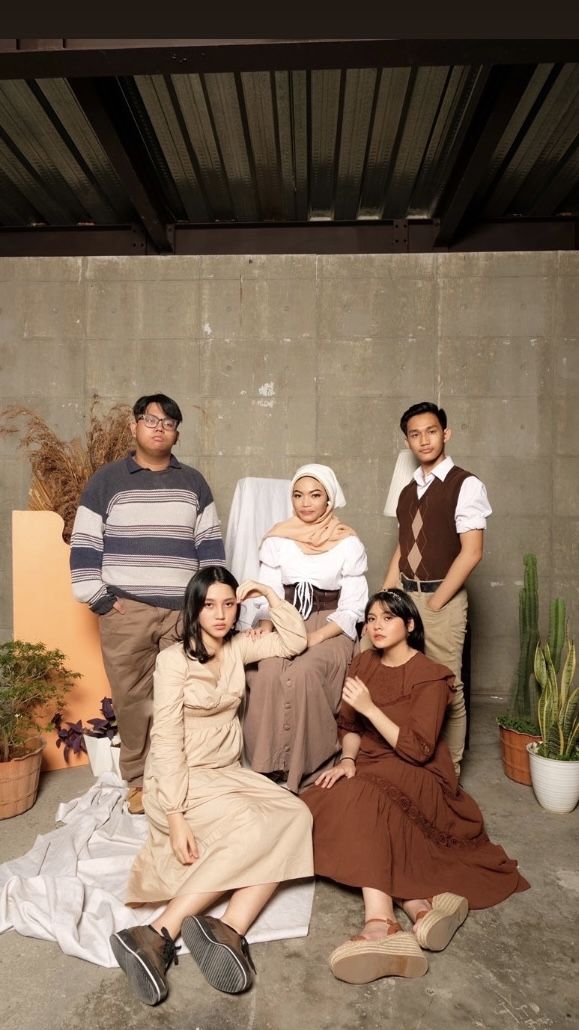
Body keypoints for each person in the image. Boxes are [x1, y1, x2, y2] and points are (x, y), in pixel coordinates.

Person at [302, 589, 529, 985]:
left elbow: (418, 749)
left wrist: (372, 707)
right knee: (318, 800)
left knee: (364, 799)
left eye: (387, 618)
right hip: (371, 762)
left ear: (409, 625)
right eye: (371, 618)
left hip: (420, 771)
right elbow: (350, 728)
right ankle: (420, 907)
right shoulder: (362, 663)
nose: (376, 626)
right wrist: (349, 761)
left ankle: (381, 924)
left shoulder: (431, 675)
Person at [109, 566, 313, 1006]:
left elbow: (296, 639)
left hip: (226, 772)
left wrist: (270, 595)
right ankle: (159, 931)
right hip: (179, 779)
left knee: (296, 815)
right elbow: (164, 739)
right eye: (209, 605)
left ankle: (226, 929)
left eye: (229, 603)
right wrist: (176, 815)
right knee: (254, 830)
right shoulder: (173, 661)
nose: (220, 614)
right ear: (194, 607)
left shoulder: (238, 648)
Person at [70, 393, 226, 814]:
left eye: (169, 423)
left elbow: (209, 546)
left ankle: (186, 775)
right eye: (151, 420)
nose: (160, 428)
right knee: (133, 701)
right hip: (127, 610)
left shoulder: (193, 482)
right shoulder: (107, 480)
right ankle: (138, 781)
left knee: (187, 696)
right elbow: (85, 543)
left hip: (182, 611)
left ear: (177, 433)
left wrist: (208, 604)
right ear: (135, 426)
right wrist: (100, 600)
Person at [243, 464, 369, 793]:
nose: (305, 503)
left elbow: (352, 608)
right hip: (286, 621)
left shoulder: (348, 542)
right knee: (268, 671)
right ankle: (265, 765)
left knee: (304, 672)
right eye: (298, 495)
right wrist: (268, 625)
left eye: (315, 495)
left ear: (329, 499)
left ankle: (305, 763)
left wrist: (314, 637)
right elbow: (269, 593)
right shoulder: (277, 539)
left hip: (330, 626)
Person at [382, 401, 492, 773]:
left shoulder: (466, 484)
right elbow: (404, 545)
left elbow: (472, 552)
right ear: (407, 441)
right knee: (392, 672)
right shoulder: (407, 489)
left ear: (446, 434)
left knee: (446, 684)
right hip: (405, 595)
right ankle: (405, 753)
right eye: (415, 434)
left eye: (431, 431)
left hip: (440, 598)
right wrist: (387, 594)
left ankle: (451, 768)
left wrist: (434, 604)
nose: (424, 440)